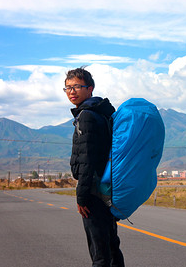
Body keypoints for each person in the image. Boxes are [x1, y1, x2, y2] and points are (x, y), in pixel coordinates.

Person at [65, 67, 124, 267]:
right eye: (68, 88)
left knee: (99, 250)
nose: (72, 92)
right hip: (107, 187)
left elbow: (86, 160)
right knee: (111, 244)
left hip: (93, 189)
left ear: (90, 88)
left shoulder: (87, 116)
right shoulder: (101, 113)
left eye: (77, 87)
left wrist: (81, 196)